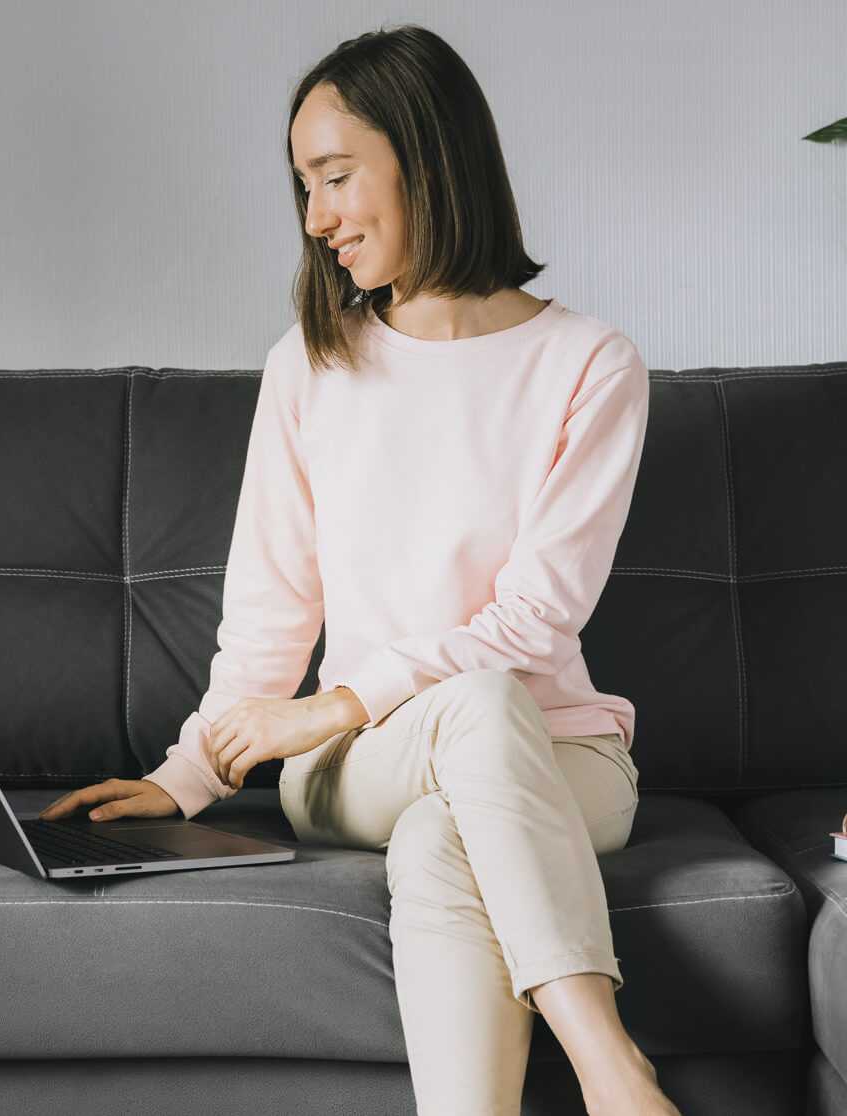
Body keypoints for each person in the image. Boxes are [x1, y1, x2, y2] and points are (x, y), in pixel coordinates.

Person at [39, 22, 682, 1116]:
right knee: (466, 719)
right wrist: (190, 775)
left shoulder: (588, 364)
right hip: (353, 765)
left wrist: (330, 699)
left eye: (335, 176)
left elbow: (536, 617)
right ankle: (615, 1074)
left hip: (557, 755)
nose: (316, 217)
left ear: (428, 159)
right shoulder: (311, 366)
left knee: (448, 828)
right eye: (304, 186)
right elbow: (267, 616)